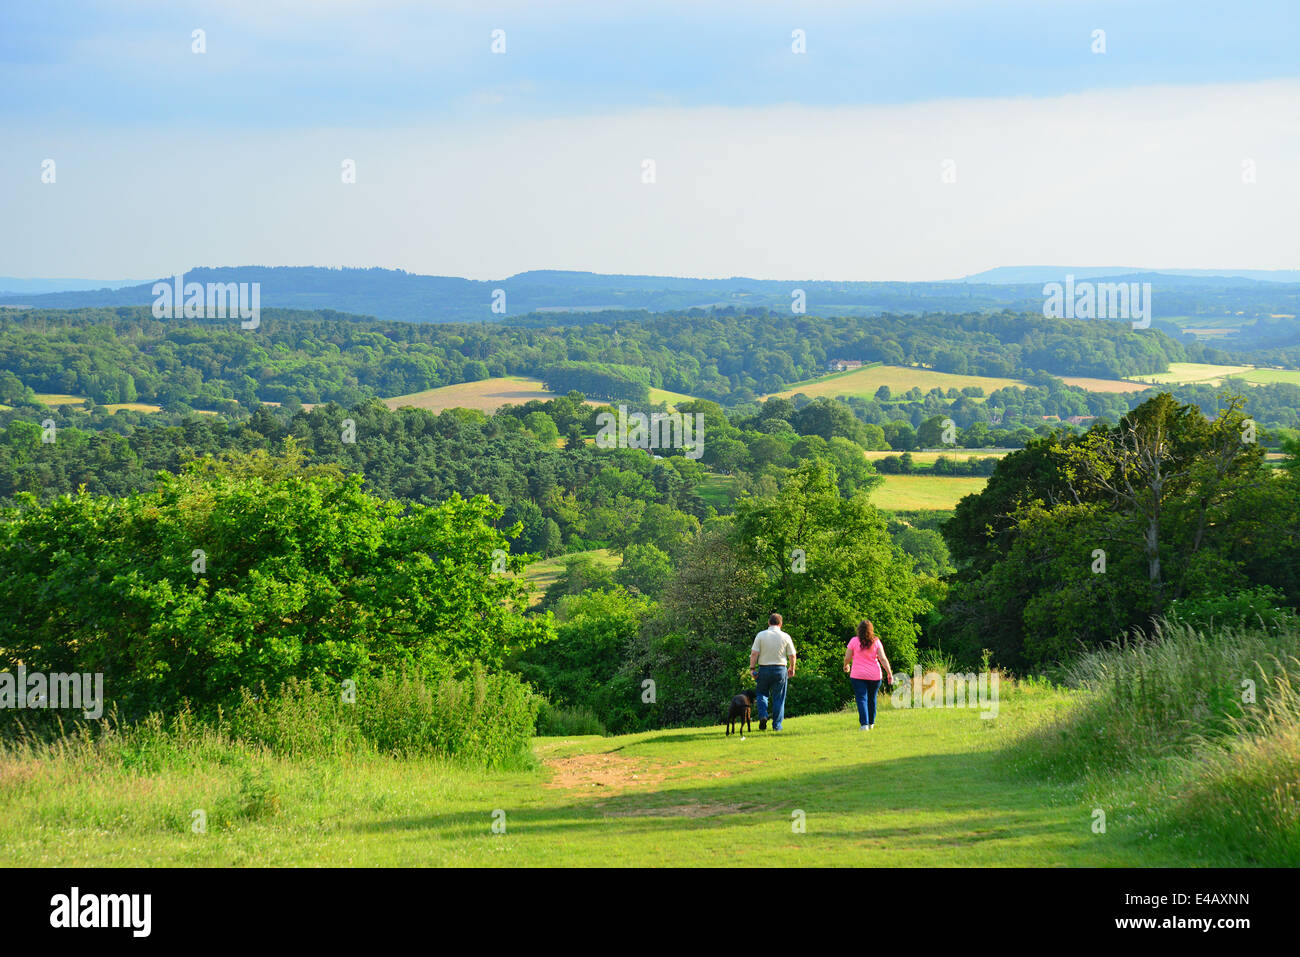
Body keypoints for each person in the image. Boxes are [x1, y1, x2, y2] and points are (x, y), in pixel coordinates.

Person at [750, 612, 796, 731]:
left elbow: (754, 653)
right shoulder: (785, 636)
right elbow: (792, 654)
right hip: (780, 669)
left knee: (761, 694)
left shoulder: (761, 635)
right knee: (778, 698)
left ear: (769, 622)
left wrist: (752, 669)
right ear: (780, 624)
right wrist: (792, 667)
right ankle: (777, 726)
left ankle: (763, 715)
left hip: (764, 668)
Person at [843, 619, 893, 730]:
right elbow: (883, 659)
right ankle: (871, 723)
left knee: (861, 698)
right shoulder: (876, 641)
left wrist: (846, 665)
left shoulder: (854, 641)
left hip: (858, 675)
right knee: (872, 699)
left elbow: (847, 657)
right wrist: (889, 673)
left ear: (859, 630)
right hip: (875, 676)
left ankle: (864, 724)